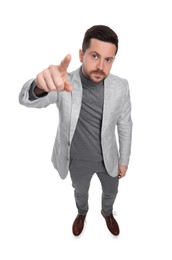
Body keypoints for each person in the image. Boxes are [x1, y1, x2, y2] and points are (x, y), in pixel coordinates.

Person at [19, 25, 133, 237]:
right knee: (80, 192)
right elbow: (27, 99)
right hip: (77, 160)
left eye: (108, 59)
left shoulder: (121, 86)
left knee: (111, 191)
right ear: (82, 55)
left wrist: (124, 160)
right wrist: (39, 85)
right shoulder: (64, 83)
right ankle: (82, 213)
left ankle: (107, 213)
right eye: (95, 56)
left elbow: (125, 124)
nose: (101, 66)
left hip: (109, 158)